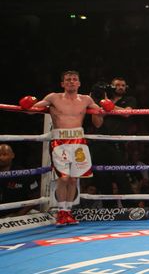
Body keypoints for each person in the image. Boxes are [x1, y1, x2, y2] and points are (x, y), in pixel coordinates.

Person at [27, 70, 105, 226]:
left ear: (79, 83)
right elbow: (31, 111)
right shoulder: (53, 97)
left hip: (78, 142)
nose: (71, 81)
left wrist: (102, 110)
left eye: (74, 79)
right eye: (68, 79)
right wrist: (27, 103)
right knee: (63, 178)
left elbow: (98, 123)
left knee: (74, 179)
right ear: (62, 83)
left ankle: (67, 212)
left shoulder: (86, 99)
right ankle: (61, 213)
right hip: (60, 142)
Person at [90, 77, 137, 204]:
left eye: (123, 85)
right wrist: (100, 102)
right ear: (111, 86)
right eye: (117, 85)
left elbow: (127, 113)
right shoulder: (103, 100)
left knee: (121, 176)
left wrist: (110, 106)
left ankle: (131, 208)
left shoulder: (130, 99)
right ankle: (109, 210)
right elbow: (97, 124)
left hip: (117, 143)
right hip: (100, 142)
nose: (120, 87)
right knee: (102, 177)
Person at [0, 144, 40, 217]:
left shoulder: (23, 174)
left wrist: (19, 214)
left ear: (12, 155)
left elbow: (35, 196)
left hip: (17, 213)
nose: (1, 157)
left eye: (4, 154)